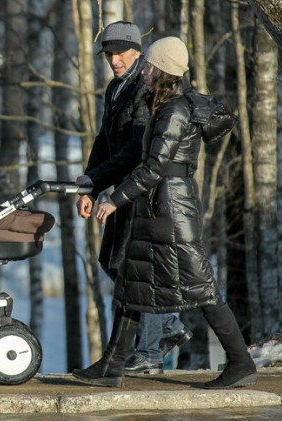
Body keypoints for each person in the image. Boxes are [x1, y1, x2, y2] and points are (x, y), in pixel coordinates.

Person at [72, 36, 256, 389]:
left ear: (161, 70)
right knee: (130, 282)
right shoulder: (161, 107)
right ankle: (111, 366)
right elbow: (132, 157)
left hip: (172, 212)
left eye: (150, 65)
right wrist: (93, 181)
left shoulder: (175, 111)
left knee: (203, 289)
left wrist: (115, 199)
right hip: (154, 208)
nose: (144, 70)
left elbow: (155, 167)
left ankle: (240, 363)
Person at [76, 21, 190, 374]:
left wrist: (102, 182)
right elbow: (103, 140)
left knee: (135, 270)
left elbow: (134, 151)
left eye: (120, 53)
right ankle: (169, 325)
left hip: (139, 190)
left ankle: (149, 353)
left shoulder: (146, 87)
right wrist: (89, 187)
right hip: (115, 187)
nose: (114, 60)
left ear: (137, 52)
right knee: (111, 262)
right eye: (109, 54)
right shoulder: (114, 88)